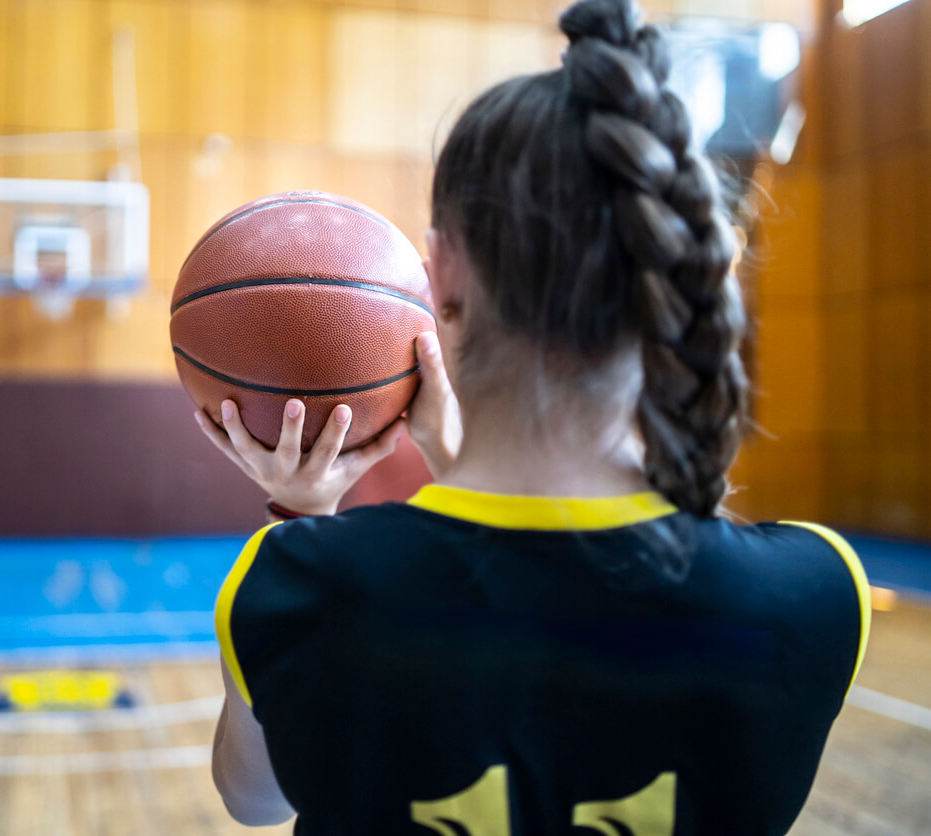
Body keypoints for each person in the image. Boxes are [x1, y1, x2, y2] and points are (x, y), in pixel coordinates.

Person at [193, 0, 870, 832]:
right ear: (680, 273)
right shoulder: (819, 592)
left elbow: (253, 798)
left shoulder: (297, 585)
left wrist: (302, 518)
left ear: (436, 276)